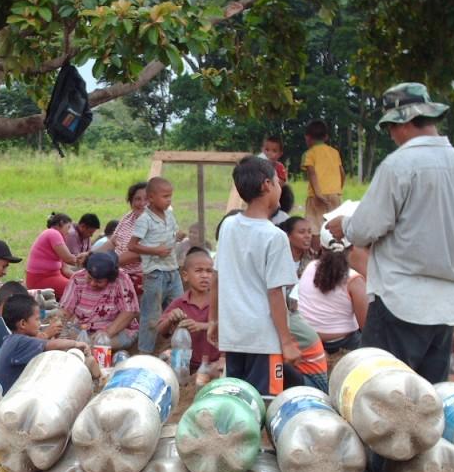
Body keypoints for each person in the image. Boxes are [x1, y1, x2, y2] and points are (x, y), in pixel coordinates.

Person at [326, 82, 454, 384]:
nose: (391, 135)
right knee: (427, 398)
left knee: (380, 395)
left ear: (405, 122)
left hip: (400, 300)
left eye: (391, 127)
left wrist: (344, 224)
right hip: (445, 304)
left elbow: (364, 229)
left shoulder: (400, 165)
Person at [210, 156, 300, 396]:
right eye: (278, 182)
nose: (280, 188)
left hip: (233, 334)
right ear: (267, 185)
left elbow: (216, 278)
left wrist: (214, 319)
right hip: (263, 339)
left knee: (237, 402)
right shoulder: (275, 236)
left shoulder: (228, 226)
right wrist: (287, 341)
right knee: (264, 402)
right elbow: (275, 293)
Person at [0, 295, 90, 393]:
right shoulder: (20, 341)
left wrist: (53, 337)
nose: (40, 323)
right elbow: (51, 345)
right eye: (37, 319)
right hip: (9, 398)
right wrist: (76, 344)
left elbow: (47, 351)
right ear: (23, 324)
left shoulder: (12, 340)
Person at [128, 176, 182, 354]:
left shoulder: (169, 215)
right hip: (154, 273)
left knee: (180, 308)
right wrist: (155, 251)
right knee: (151, 315)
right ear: (151, 198)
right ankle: (145, 353)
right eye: (165, 196)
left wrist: (178, 237)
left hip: (172, 270)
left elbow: (173, 235)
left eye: (170, 196)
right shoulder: (145, 220)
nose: (169, 200)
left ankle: (176, 348)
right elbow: (132, 245)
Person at [296, 225, 367, 353]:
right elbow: (367, 326)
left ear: (322, 248)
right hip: (342, 342)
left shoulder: (310, 266)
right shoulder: (354, 280)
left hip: (305, 337)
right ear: (352, 248)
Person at [157, 247, 221, 372]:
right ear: (185, 276)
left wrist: (201, 326)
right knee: (163, 360)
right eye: (198, 271)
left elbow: (230, 327)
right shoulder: (180, 302)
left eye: (209, 271)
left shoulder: (220, 301)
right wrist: (170, 319)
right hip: (186, 363)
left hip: (215, 362)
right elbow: (160, 329)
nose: (204, 276)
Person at [60, 252, 140, 350]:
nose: (93, 284)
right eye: (89, 278)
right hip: (83, 329)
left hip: (116, 331)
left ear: (110, 279)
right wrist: (59, 327)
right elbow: (65, 310)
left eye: (99, 282)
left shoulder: (121, 279)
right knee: (65, 340)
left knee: (96, 346)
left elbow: (130, 311)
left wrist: (106, 333)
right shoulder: (77, 278)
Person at [302, 119, 344, 251]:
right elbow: (342, 173)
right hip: (335, 194)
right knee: (334, 226)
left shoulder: (309, 153)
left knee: (314, 227)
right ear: (326, 137)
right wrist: (337, 189)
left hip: (316, 195)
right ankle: (335, 254)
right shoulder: (334, 152)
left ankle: (317, 256)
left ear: (307, 138)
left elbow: (312, 173)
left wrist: (319, 193)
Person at [25, 213, 80, 298]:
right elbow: (68, 259)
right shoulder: (53, 233)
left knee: (79, 286)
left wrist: (80, 279)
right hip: (41, 279)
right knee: (76, 290)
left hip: (52, 276)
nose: (69, 232)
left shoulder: (54, 235)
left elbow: (65, 269)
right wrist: (88, 261)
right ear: (61, 223)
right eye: (68, 227)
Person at [110, 181, 149, 296]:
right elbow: (112, 242)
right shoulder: (129, 217)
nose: (142, 203)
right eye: (137, 199)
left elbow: (136, 255)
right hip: (118, 270)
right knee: (82, 276)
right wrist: (91, 254)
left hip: (141, 275)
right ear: (131, 201)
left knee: (101, 283)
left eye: (146, 199)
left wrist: (106, 264)